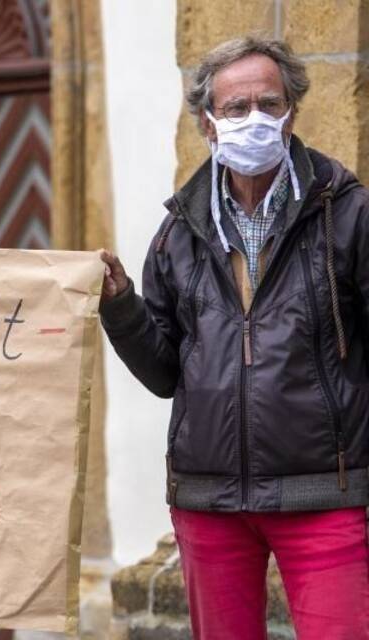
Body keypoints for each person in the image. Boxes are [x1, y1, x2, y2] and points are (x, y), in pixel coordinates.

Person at [100, 37, 369, 639]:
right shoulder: (178, 235)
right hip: (209, 501)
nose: (254, 120)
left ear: (291, 112)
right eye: (236, 107)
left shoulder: (347, 215)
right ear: (208, 123)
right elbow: (166, 372)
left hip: (324, 493)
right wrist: (121, 308)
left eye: (268, 104)